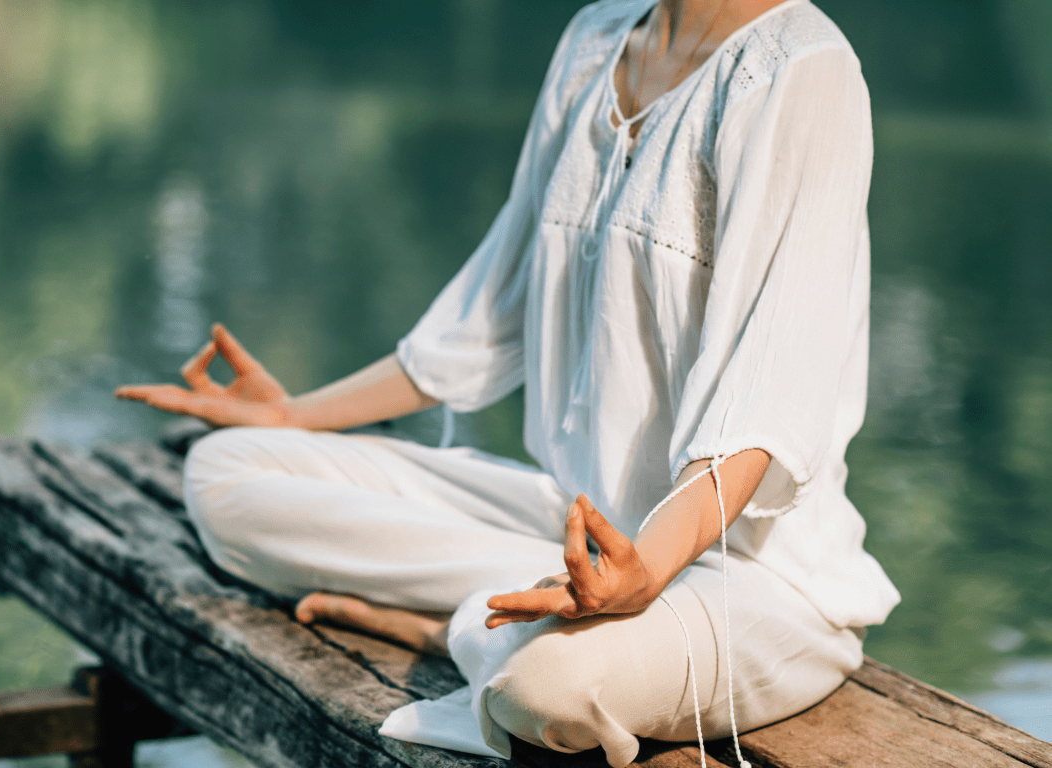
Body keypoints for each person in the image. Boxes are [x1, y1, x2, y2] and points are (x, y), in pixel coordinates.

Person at [116, 0, 900, 765]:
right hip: (570, 522)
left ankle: (453, 626)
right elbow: (489, 316)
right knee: (224, 474)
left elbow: (764, 408)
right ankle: (521, 607)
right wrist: (293, 416)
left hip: (744, 579)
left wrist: (646, 571)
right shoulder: (596, 39)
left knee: (549, 692)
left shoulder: (802, 68)